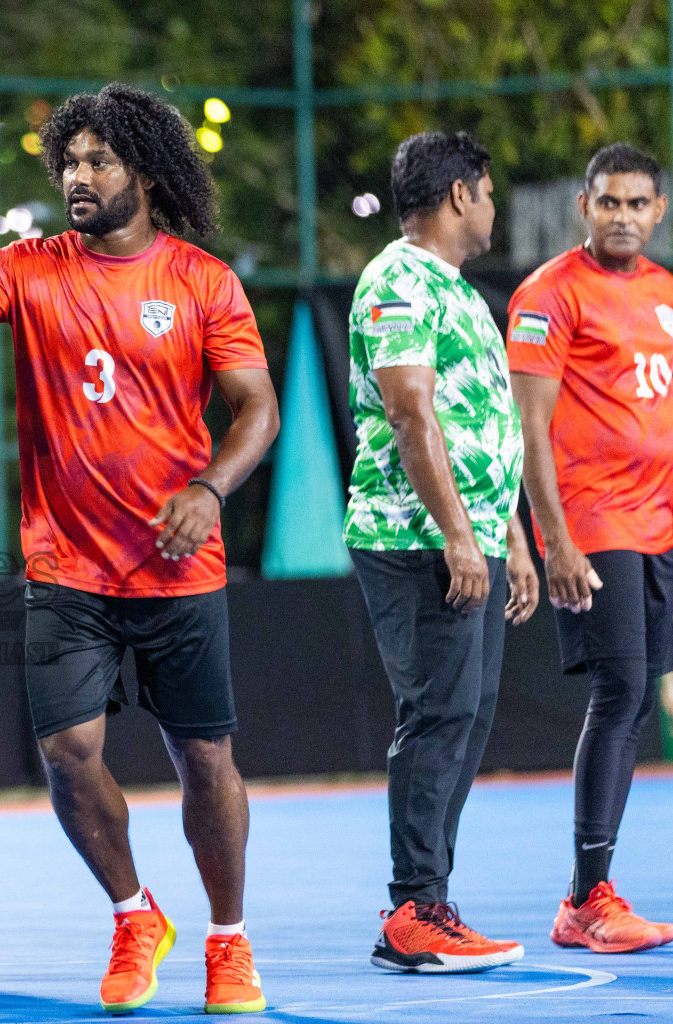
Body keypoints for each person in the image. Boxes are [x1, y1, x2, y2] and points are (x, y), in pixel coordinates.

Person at [0, 84, 279, 1016]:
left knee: (206, 762)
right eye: (69, 161)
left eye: (99, 161)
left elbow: (256, 409)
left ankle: (229, 938)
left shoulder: (201, 281)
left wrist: (208, 487)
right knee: (67, 747)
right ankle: (135, 913)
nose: (77, 176)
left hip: (180, 566)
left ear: (146, 171)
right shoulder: (31, 266)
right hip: (66, 565)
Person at [342, 130, 538, 973]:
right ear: (460, 193)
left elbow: (485, 430)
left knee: (467, 717)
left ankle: (432, 905)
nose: (492, 207)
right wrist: (461, 536)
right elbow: (411, 416)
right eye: (489, 192)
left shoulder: (453, 290)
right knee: (438, 717)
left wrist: (512, 541)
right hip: (414, 538)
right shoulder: (395, 278)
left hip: (471, 540)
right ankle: (413, 910)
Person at [507, 142, 673, 953]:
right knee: (621, 691)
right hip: (595, 521)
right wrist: (555, 540)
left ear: (658, 211)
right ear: (584, 207)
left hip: (662, 525)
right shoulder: (548, 294)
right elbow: (526, 427)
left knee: (639, 699)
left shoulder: (667, 293)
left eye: (637, 203)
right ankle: (586, 897)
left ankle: (589, 894)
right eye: (608, 202)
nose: (622, 217)